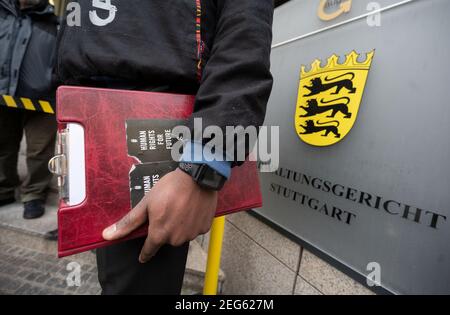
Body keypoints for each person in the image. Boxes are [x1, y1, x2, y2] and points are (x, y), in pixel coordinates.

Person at [56, 0, 273, 294]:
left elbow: (246, 34)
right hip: (91, 114)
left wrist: (204, 164)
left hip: (160, 115)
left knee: (137, 285)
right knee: (112, 270)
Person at [0, 0, 58, 219]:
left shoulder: (55, 22)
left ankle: (34, 194)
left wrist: (53, 81)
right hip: (3, 97)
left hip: (43, 101)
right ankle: (4, 189)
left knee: (40, 151)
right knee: (3, 146)